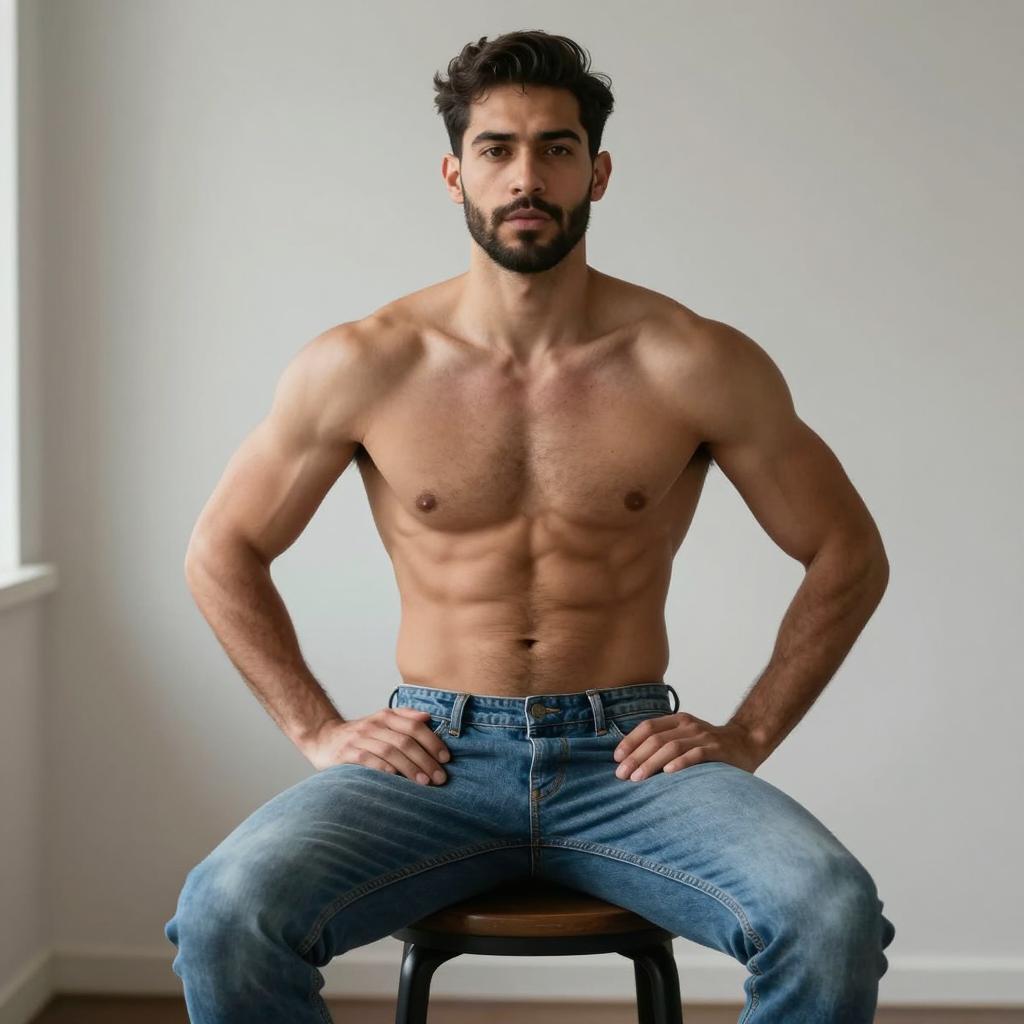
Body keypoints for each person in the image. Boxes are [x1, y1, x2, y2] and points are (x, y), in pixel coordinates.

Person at [165, 29, 895, 1023]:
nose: (526, 176)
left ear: (597, 172)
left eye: (555, 149)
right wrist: (315, 727)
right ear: (453, 170)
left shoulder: (690, 360)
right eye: (497, 149)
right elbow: (221, 550)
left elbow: (846, 552)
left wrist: (750, 729)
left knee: (829, 910)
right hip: (435, 757)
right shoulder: (366, 363)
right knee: (224, 909)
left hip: (628, 758)